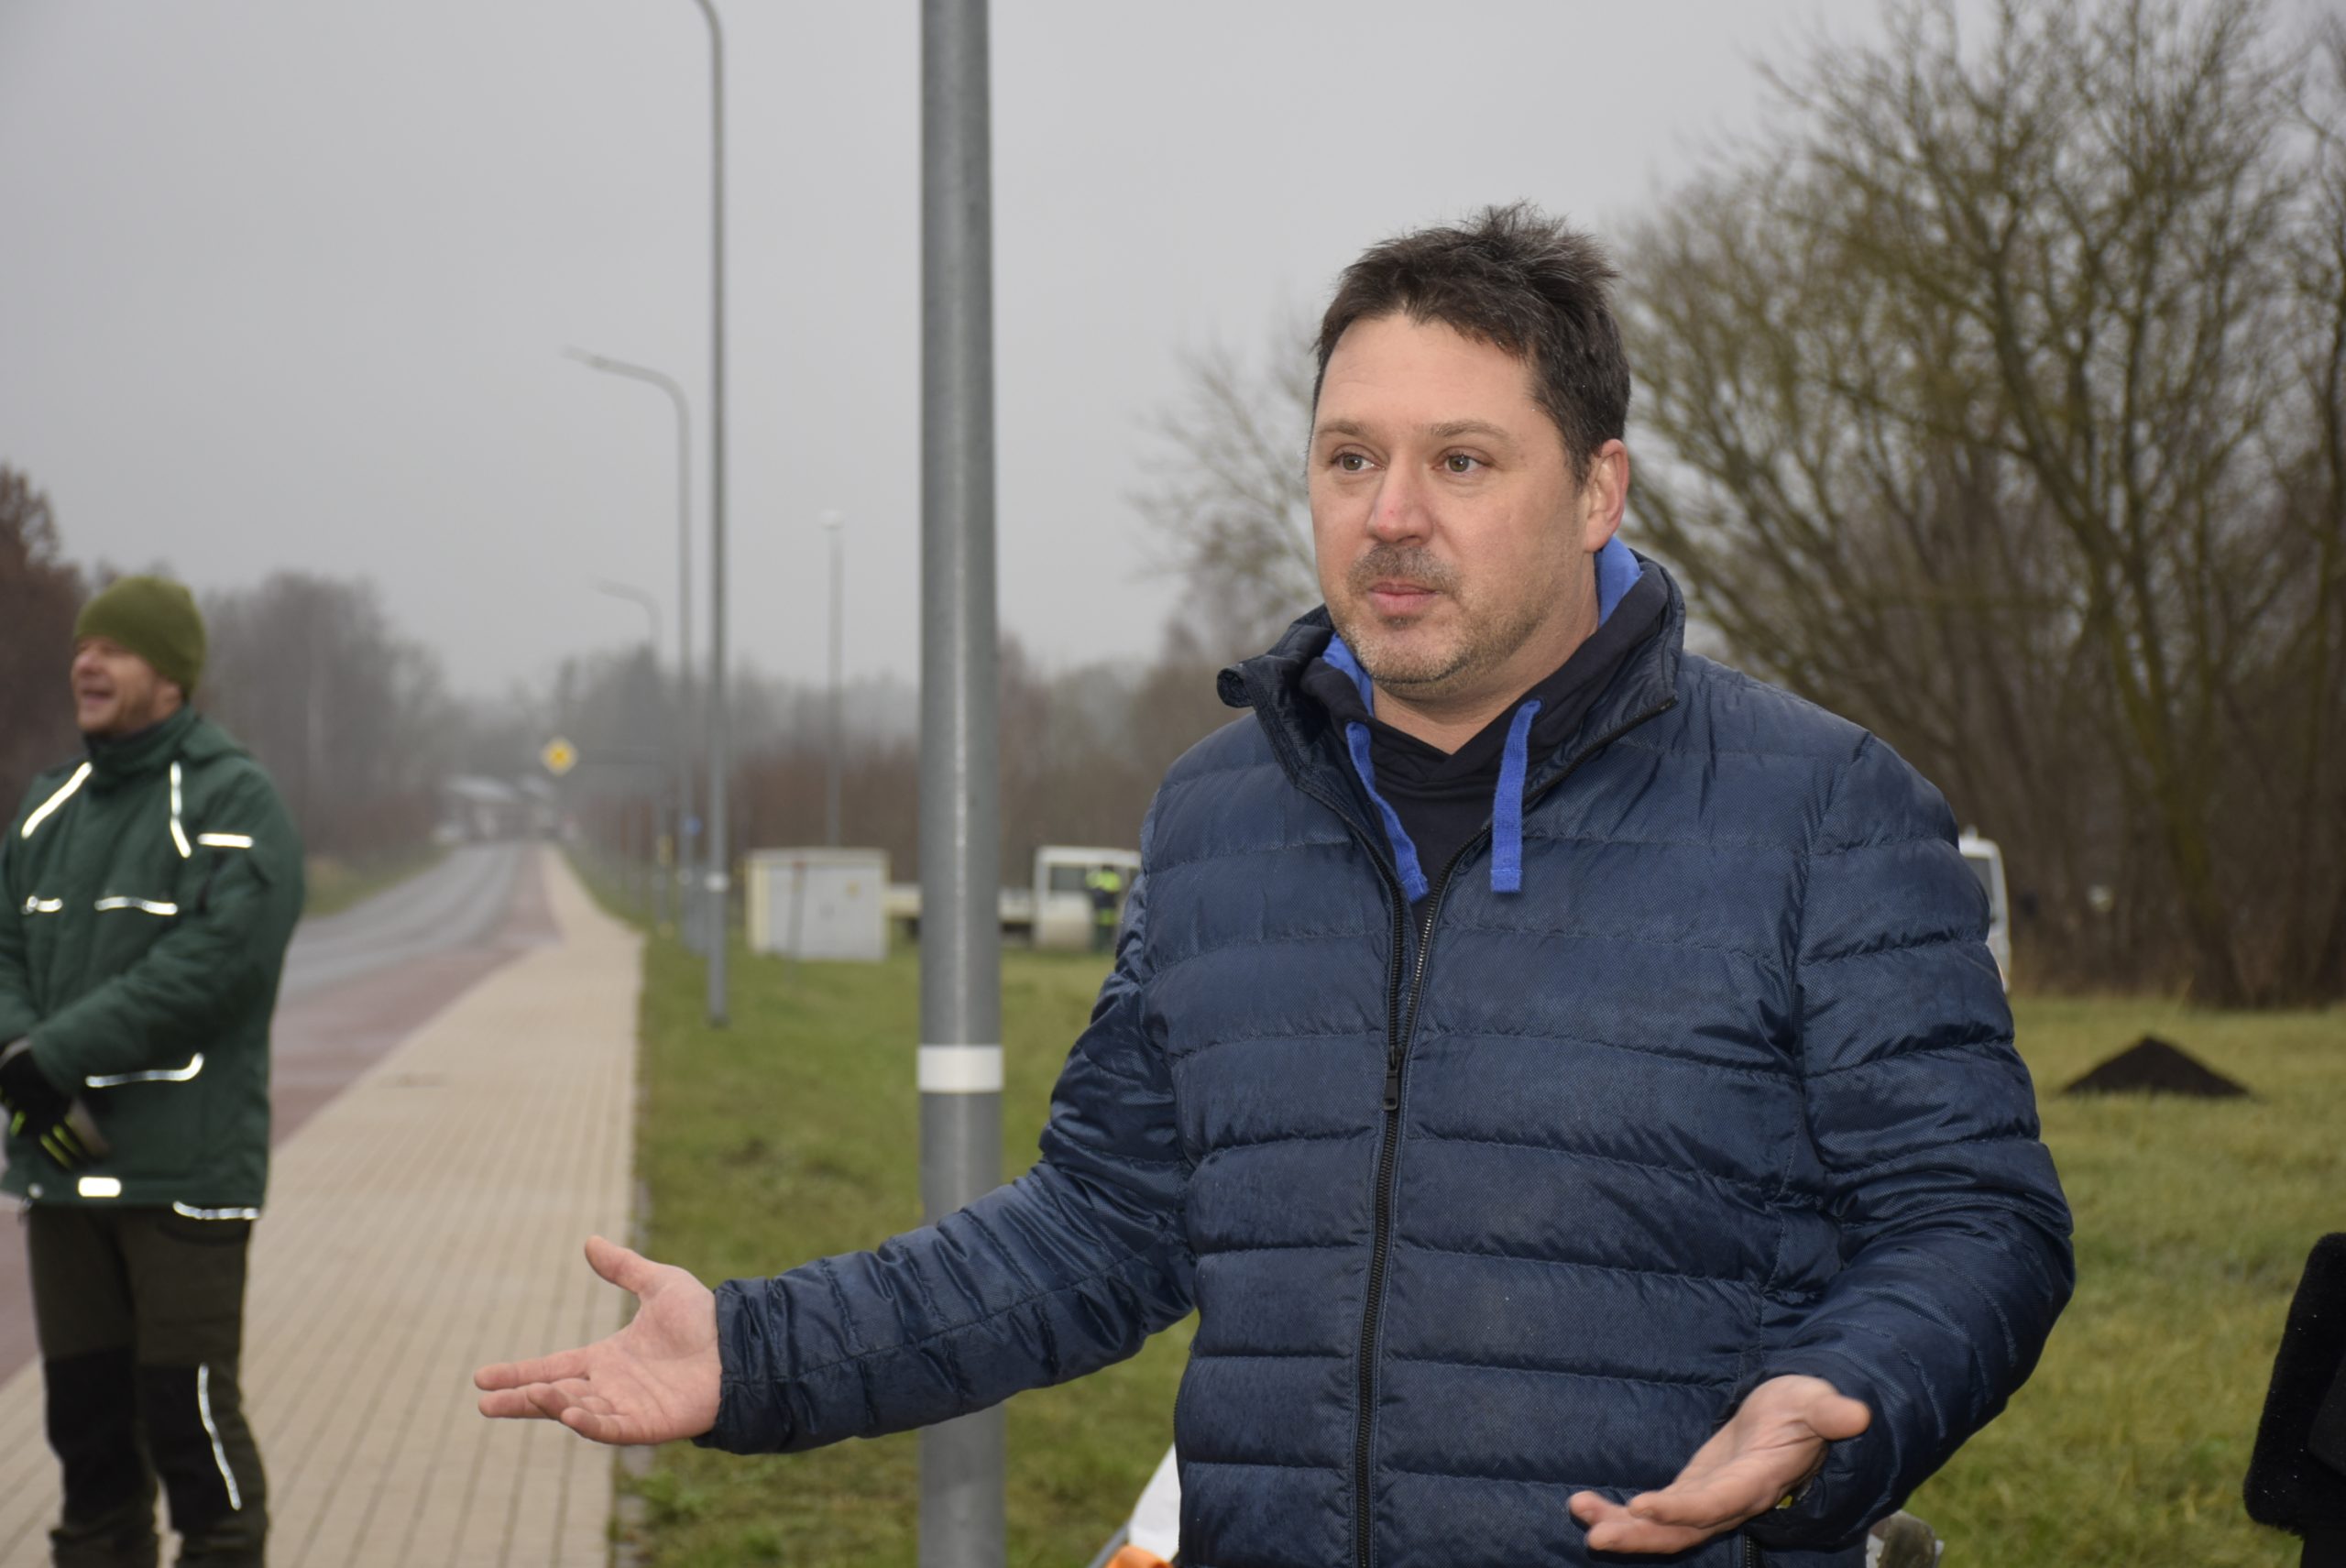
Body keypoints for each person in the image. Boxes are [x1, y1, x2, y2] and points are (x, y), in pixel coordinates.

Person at [477, 205, 2074, 1565]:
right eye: (1349, 456)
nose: (1392, 515)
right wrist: (756, 1351)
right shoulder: (1217, 815)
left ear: (1599, 492)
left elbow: (1976, 1217)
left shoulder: (1821, 810)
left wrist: (1844, 1396)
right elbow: (1102, 1225)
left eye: (1462, 460)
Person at [0, 576, 303, 1568]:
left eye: (116, 649)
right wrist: (16, 1053)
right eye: (83, 647)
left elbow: (217, 965)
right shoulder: (48, 807)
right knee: (87, 1438)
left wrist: (51, 1055)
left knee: (190, 1425)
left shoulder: (234, 800)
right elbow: (3, 949)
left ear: (171, 677)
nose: (87, 663)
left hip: (184, 1176)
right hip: (63, 1170)